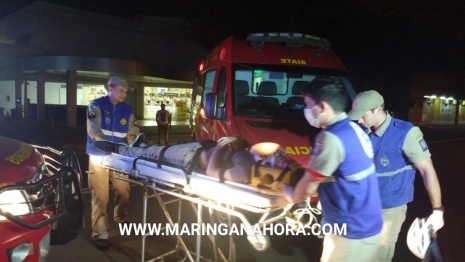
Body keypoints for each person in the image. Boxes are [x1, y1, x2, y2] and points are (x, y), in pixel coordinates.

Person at [282, 77, 383, 262]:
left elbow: (305, 189)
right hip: (363, 225)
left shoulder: (329, 138)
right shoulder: (353, 129)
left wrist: (287, 192)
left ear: (321, 107)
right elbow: (342, 172)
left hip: (351, 232)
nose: (305, 111)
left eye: (307, 105)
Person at [348, 90, 444, 262]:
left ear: (378, 109)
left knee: (377, 256)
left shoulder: (405, 134)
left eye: (363, 116)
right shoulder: (362, 130)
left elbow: (427, 171)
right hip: (362, 204)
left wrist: (437, 210)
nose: (359, 120)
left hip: (389, 208)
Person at [94, 136, 304, 186]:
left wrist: (222, 147)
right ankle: (139, 146)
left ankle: (118, 148)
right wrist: (237, 143)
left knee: (151, 154)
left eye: (289, 163)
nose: (285, 157)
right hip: (199, 148)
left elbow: (213, 173)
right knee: (155, 149)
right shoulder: (262, 162)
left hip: (189, 158)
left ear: (284, 174)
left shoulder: (248, 173)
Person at [86, 76, 140, 250]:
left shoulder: (128, 110)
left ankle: (121, 218)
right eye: (122, 90)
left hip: (119, 158)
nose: (125, 93)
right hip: (98, 156)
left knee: (123, 190)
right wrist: (103, 143)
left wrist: (136, 145)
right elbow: (93, 128)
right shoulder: (96, 105)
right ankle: (100, 233)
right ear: (111, 89)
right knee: (101, 196)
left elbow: (132, 133)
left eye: (126, 91)